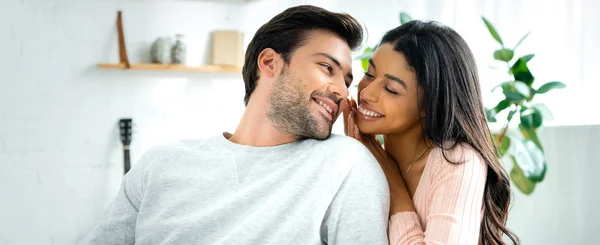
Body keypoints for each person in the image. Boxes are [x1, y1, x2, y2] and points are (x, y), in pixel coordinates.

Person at [79, 5, 390, 245]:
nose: (341, 90)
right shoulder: (160, 164)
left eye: (347, 80)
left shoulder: (345, 165)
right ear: (269, 63)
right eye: (327, 67)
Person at [342, 20, 520, 244]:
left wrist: (395, 189)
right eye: (370, 73)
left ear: (430, 105)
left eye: (391, 89)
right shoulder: (365, 158)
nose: (367, 92)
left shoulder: (457, 161)